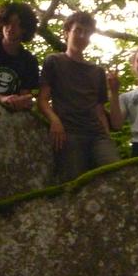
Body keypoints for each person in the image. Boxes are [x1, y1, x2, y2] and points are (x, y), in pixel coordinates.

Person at [37, 11, 120, 181]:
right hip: (69, 133)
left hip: (97, 135)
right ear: (67, 33)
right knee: (73, 183)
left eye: (87, 33)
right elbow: (43, 99)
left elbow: (99, 110)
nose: (82, 36)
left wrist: (107, 138)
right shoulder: (54, 61)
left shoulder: (97, 71)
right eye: (78, 31)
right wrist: (55, 121)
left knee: (116, 174)